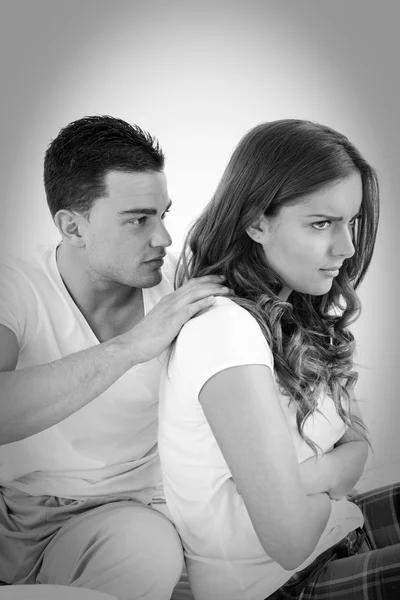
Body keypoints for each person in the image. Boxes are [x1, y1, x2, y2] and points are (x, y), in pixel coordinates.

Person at [158, 119, 400, 599]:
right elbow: (289, 540)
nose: (347, 248)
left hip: (337, 537)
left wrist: (311, 478)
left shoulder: (293, 316)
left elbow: (358, 450)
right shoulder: (224, 331)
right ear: (255, 222)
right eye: (320, 223)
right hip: (278, 586)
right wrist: (331, 474)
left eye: (349, 222)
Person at [0, 115, 230, 599]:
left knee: (147, 553)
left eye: (163, 214)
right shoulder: (15, 287)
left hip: (132, 513)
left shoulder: (180, 286)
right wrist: (131, 347)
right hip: (19, 518)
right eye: (138, 219)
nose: (164, 238)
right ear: (72, 226)